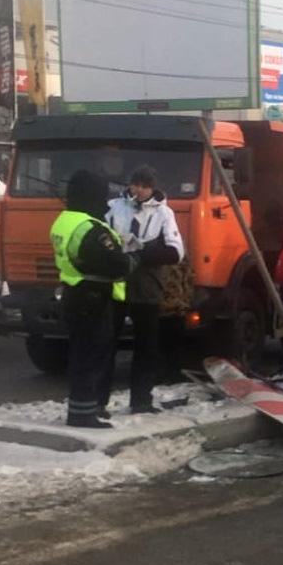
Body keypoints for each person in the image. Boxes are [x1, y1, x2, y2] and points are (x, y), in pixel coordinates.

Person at [50, 170, 140, 429]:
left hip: (74, 291)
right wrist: (134, 259)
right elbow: (116, 264)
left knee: (80, 354)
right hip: (92, 297)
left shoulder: (64, 220)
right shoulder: (89, 228)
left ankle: (82, 409)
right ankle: (82, 414)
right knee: (90, 356)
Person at [103, 165, 184, 414]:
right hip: (117, 284)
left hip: (147, 286)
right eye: (134, 185)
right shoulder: (115, 207)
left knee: (146, 346)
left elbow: (175, 251)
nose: (137, 190)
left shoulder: (164, 213)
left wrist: (142, 251)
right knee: (106, 344)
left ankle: (141, 400)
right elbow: (103, 236)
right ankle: (98, 401)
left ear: (152, 188)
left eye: (143, 186)